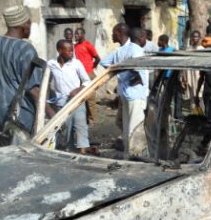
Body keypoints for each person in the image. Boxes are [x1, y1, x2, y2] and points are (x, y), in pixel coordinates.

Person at [0, 5, 54, 146]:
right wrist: (52, 114)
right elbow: (33, 89)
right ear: (24, 25)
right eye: (29, 23)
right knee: (20, 160)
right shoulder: (25, 49)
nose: (30, 27)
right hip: (19, 118)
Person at [99, 23, 148, 158]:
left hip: (125, 92)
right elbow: (139, 70)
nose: (111, 35)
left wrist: (121, 72)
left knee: (127, 126)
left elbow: (104, 63)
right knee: (135, 126)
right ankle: (135, 155)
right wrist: (135, 76)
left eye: (113, 32)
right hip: (136, 93)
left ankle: (128, 152)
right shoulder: (135, 50)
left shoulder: (120, 51)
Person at [48, 39, 93, 154]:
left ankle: (83, 153)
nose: (71, 53)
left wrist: (78, 90)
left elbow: (87, 81)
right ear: (59, 50)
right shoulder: (51, 65)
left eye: (72, 51)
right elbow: (45, 82)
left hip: (77, 101)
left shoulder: (76, 63)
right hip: (61, 104)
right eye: (69, 51)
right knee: (66, 130)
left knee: (80, 127)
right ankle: (69, 151)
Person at [74, 28, 100, 125]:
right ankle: (85, 119)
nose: (76, 35)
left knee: (90, 98)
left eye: (78, 34)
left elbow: (97, 58)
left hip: (88, 74)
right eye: (75, 34)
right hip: (79, 75)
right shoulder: (75, 46)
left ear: (83, 34)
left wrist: (92, 67)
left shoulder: (88, 45)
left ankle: (93, 120)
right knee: (82, 98)